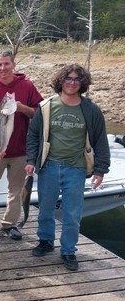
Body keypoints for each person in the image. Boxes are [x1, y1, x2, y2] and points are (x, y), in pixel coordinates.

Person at [26, 64, 110, 271]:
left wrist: (100, 170)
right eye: (68, 78)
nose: (72, 82)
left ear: (82, 83)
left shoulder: (91, 110)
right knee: (45, 208)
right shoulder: (45, 107)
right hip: (49, 166)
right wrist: (30, 161)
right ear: (61, 81)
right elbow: (34, 135)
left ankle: (68, 250)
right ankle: (45, 241)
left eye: (77, 79)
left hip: (77, 169)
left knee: (72, 213)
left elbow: (100, 141)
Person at [0, 50, 43, 240]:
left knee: (16, 190)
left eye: (6, 64)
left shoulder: (27, 86)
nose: (3, 68)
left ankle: (9, 224)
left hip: (20, 151)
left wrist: (22, 108)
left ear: (13, 65)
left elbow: (39, 113)